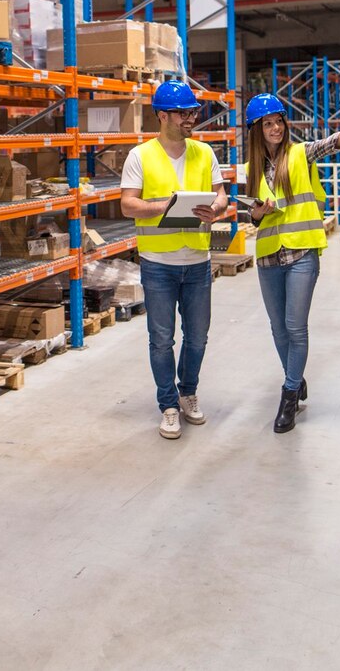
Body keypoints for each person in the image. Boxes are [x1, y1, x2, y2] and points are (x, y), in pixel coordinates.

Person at [244, 94, 340, 433]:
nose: (276, 128)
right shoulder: (251, 168)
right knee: (278, 329)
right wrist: (257, 212)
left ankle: (289, 394)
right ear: (256, 131)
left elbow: (331, 143)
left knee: (295, 326)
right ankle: (296, 375)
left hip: (302, 252)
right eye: (268, 123)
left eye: (279, 121)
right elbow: (253, 217)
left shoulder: (299, 153)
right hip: (269, 254)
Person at [121, 80, 229, 440]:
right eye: (184, 113)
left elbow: (221, 195)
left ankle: (188, 392)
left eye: (193, 112)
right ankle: (168, 404)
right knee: (161, 339)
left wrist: (216, 210)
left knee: (197, 337)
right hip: (158, 264)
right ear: (163, 115)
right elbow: (128, 204)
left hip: (198, 259)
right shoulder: (141, 155)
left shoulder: (204, 153)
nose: (191, 119)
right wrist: (163, 207)